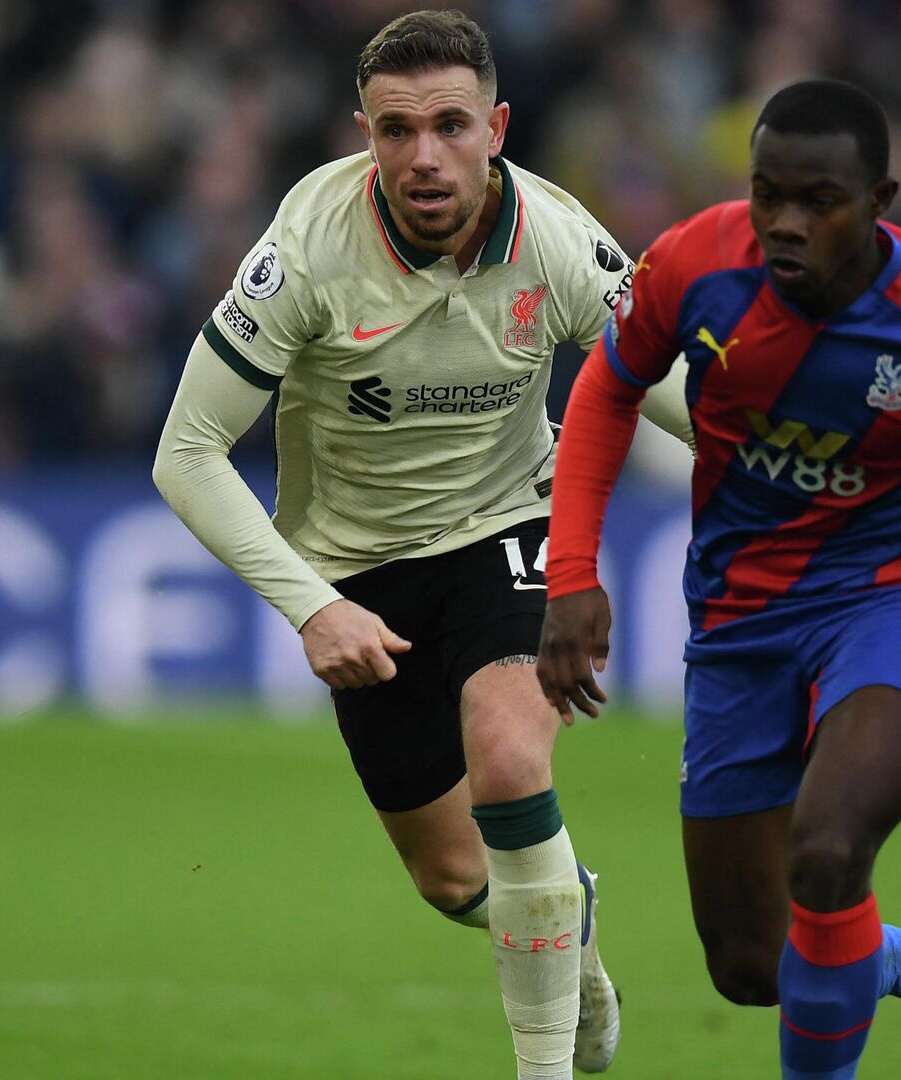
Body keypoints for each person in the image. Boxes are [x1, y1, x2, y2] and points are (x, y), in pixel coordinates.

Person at [537, 79, 901, 1080]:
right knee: (750, 961)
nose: (785, 225)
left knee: (827, 850)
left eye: (820, 201)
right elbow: (608, 383)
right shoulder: (694, 263)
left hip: (893, 599)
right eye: (769, 195)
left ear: (880, 201)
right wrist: (572, 572)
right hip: (740, 619)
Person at [153, 10, 691, 1077]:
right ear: (366, 135)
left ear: (496, 126)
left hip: (508, 524)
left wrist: (810, 465)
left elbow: (683, 392)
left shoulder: (559, 238)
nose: (425, 156)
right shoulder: (306, 248)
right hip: (358, 571)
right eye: (397, 131)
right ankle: (562, 923)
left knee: (506, 756)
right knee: (455, 881)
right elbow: (187, 453)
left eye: (450, 125)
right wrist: (315, 604)